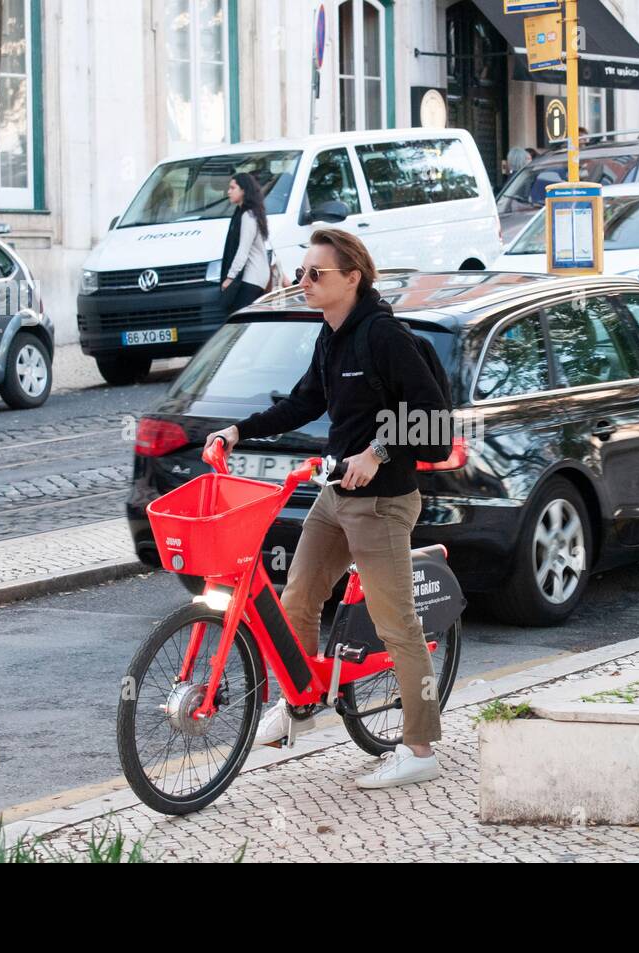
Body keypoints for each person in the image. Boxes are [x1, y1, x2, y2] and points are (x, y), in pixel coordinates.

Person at [204, 228, 446, 790]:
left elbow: (431, 413)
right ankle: (301, 704)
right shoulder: (330, 335)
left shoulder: (382, 336)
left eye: (316, 274)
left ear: (352, 278)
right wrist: (241, 430)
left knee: (396, 625)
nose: (303, 282)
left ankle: (419, 748)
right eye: (301, 273)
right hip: (336, 496)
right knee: (299, 598)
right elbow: (304, 402)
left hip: (383, 503)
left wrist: (377, 452)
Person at [218, 171, 271, 314]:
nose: (228, 192)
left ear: (243, 190)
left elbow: (243, 250)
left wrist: (230, 277)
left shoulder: (248, 215)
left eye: (232, 188)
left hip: (252, 277)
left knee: (240, 320)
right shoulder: (246, 213)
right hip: (255, 277)